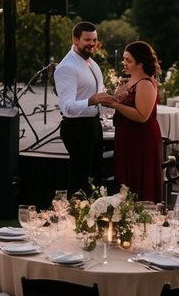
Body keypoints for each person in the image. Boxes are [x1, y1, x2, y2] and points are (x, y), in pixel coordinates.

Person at [98, 41, 164, 202]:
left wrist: (114, 104)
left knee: (138, 180)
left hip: (141, 139)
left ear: (140, 63)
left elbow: (142, 116)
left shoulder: (145, 83)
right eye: (124, 59)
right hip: (127, 137)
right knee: (126, 181)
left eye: (129, 60)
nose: (124, 63)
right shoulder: (132, 79)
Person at [53, 21, 106, 196]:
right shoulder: (67, 67)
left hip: (92, 125)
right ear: (75, 40)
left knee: (94, 178)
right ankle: (74, 217)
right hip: (77, 128)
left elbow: (99, 92)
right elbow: (67, 107)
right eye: (87, 40)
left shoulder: (91, 63)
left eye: (94, 39)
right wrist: (91, 101)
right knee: (80, 180)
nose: (92, 44)